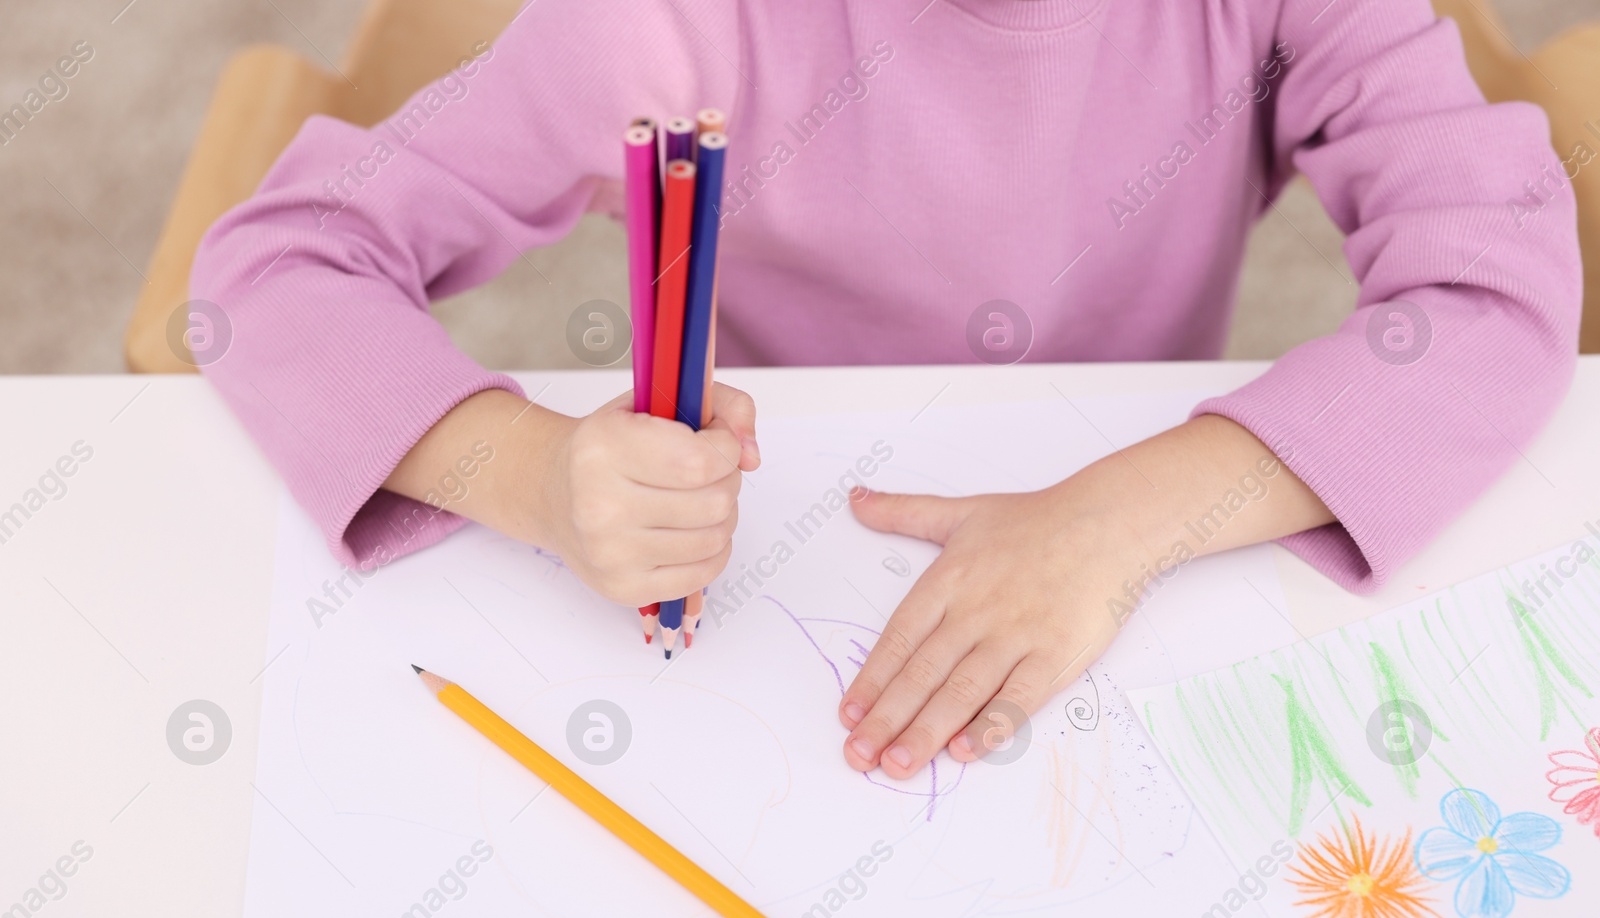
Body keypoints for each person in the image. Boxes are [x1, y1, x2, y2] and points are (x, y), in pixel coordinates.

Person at [191, 0, 1582, 781]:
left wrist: (1124, 518)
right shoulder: (668, 20)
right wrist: (536, 476)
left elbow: (1493, 288)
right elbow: (274, 268)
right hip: (788, 553)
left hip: (1144, 561)